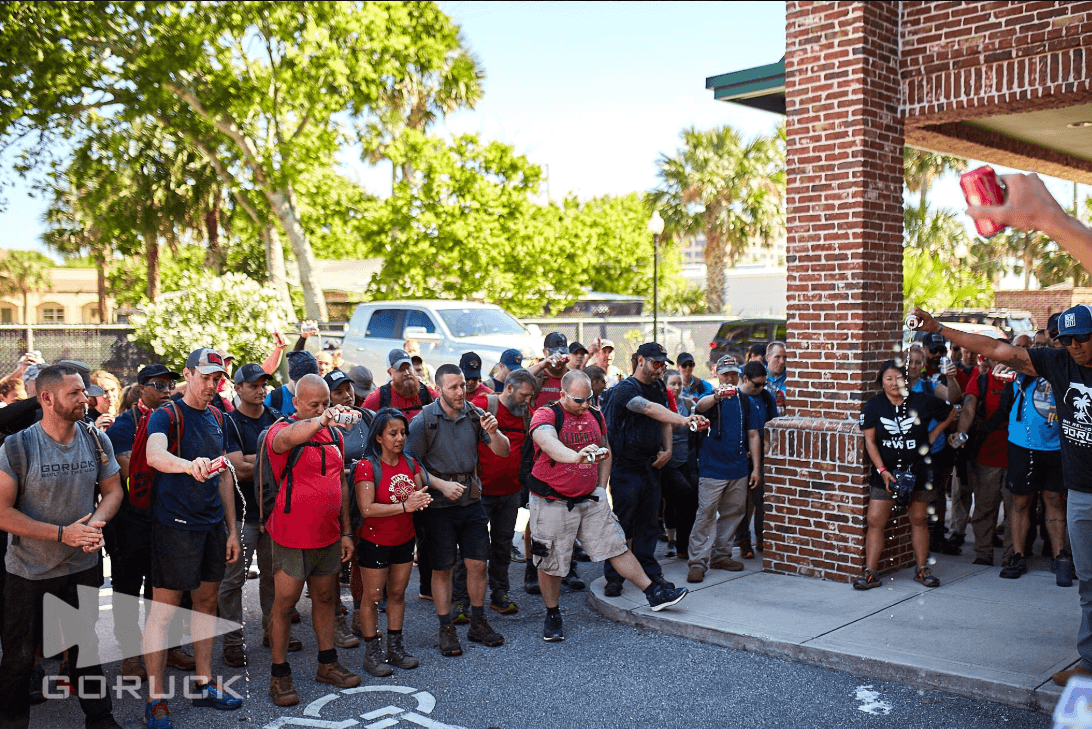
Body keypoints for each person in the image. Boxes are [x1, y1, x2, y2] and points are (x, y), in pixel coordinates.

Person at [0, 364, 125, 729]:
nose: (85, 398)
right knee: (19, 658)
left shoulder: (95, 439)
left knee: (85, 649)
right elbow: (2, 513)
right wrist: (61, 534)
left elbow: (113, 491)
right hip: (28, 570)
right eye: (75, 393)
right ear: (47, 398)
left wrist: (93, 525)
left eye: (84, 391)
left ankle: (100, 719)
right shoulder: (18, 447)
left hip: (80, 566)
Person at [530, 370, 688, 640]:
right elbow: (548, 443)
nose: (585, 405)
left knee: (616, 546)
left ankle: (654, 593)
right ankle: (552, 614)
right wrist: (575, 457)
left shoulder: (594, 414)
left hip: (589, 498)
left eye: (589, 398)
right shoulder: (546, 414)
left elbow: (606, 451)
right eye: (579, 400)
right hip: (552, 501)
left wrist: (601, 488)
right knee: (550, 561)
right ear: (563, 395)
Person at [142, 348, 243, 727]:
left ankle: (204, 683)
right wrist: (188, 466)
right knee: (164, 611)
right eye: (205, 377)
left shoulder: (218, 416)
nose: (212, 384)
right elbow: (154, 455)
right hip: (175, 527)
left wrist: (232, 530)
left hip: (212, 526)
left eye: (217, 378)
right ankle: (155, 700)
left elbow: (224, 474)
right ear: (187, 375)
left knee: (206, 603)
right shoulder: (166, 414)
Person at [264, 374, 361, 706]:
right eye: (314, 404)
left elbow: (341, 483)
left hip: (328, 535)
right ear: (296, 403)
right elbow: (287, 439)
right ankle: (279, 675)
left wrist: (346, 531)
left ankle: (327, 664)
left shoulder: (334, 434)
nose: (322, 410)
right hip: (292, 536)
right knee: (284, 604)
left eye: (325, 404)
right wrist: (321, 420)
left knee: (325, 599)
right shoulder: (279, 430)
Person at [405, 363, 510, 657]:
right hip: (438, 506)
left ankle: (478, 622)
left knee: (478, 564)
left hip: (471, 500)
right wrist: (440, 485)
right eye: (453, 387)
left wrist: (495, 432)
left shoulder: (475, 415)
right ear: (439, 389)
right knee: (442, 569)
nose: (461, 391)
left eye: (462, 385)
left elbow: (503, 451)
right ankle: (446, 628)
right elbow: (410, 466)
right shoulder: (424, 420)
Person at [601, 343, 706, 596]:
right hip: (626, 467)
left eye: (662, 364)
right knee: (623, 523)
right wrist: (684, 419)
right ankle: (614, 576)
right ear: (640, 360)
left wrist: (667, 450)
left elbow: (663, 419)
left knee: (648, 523)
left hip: (651, 465)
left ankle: (650, 572)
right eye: (655, 363)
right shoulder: (626, 389)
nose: (660, 369)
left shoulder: (658, 387)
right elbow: (648, 408)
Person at [105, 363, 186, 682]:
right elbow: (129, 470)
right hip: (131, 521)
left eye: (170, 385)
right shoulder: (124, 424)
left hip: (168, 518)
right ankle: (130, 654)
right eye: (159, 385)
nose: (167, 391)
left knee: (167, 586)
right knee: (127, 589)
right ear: (141, 389)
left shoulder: (177, 418)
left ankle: (169, 648)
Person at [219, 363, 301, 669]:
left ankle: (273, 631)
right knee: (233, 580)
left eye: (263, 384)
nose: (259, 390)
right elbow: (236, 469)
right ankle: (232, 641)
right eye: (252, 385)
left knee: (273, 576)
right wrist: (268, 457)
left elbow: (289, 460)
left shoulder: (276, 418)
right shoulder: (230, 422)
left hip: (274, 513)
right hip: (242, 515)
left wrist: (253, 460)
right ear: (238, 388)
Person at [855, 359, 953, 591]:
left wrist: (934, 434)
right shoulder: (874, 406)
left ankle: (922, 569)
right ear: (881, 382)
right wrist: (883, 471)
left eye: (898, 377)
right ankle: (870, 572)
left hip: (918, 470)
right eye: (888, 378)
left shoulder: (921, 400)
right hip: (886, 473)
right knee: (875, 520)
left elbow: (951, 411)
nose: (894, 382)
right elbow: (870, 442)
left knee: (919, 519)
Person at [353, 408, 432, 677]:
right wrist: (405, 506)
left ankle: (395, 649)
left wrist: (421, 500)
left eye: (402, 433)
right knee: (373, 597)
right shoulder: (367, 466)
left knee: (397, 594)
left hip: (404, 538)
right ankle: (372, 652)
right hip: (375, 541)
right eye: (392, 433)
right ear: (378, 437)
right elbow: (367, 509)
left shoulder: (409, 462)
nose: (400, 438)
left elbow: (419, 492)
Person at [455, 369, 537, 617]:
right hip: (479, 493)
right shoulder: (483, 404)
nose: (527, 401)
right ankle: (460, 601)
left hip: (510, 492)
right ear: (509, 388)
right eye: (524, 395)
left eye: (531, 396)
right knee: (471, 548)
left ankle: (500, 594)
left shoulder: (527, 415)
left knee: (502, 546)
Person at [687, 356, 759, 583]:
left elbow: (753, 434)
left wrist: (756, 468)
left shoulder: (745, 401)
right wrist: (718, 396)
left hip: (738, 468)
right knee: (705, 515)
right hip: (711, 469)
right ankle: (697, 562)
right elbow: (699, 407)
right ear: (716, 374)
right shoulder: (710, 397)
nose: (729, 378)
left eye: (733, 374)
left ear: (739, 375)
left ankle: (721, 555)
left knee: (734, 513)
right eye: (725, 373)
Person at [950, 351, 1010, 567]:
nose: (1000, 362)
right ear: (989, 361)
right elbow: (968, 410)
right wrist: (961, 433)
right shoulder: (981, 381)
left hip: (1017, 456)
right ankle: (984, 552)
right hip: (987, 454)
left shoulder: (1022, 381)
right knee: (985, 507)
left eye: (1005, 358)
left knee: (1016, 510)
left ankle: (1013, 556)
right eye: (996, 358)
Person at [734, 361, 778, 557]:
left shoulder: (767, 397)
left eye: (763, 384)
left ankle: (762, 536)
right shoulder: (736, 398)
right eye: (757, 384)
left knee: (762, 499)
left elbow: (773, 425)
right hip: (742, 454)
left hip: (762, 452)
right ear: (745, 379)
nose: (761, 388)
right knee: (742, 502)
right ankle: (743, 541)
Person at [663, 370, 698, 561]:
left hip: (685, 460)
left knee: (688, 500)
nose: (676, 388)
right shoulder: (661, 405)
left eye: (679, 384)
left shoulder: (688, 404)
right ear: (665, 386)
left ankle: (682, 545)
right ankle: (672, 540)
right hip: (667, 462)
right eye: (672, 384)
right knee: (674, 500)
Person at [362, 349, 437, 419]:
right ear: (390, 372)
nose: (407, 373)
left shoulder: (426, 393)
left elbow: (442, 407)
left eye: (408, 368)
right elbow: (361, 422)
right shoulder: (380, 397)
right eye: (401, 369)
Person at [265, 350, 320, 417]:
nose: (308, 386)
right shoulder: (274, 399)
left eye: (312, 380)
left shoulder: (320, 397)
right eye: (304, 381)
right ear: (293, 378)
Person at [528, 332, 569, 408]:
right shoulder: (538, 373)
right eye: (555, 354)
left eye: (562, 354)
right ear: (545, 352)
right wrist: (543, 364)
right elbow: (518, 378)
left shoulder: (570, 376)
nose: (559, 359)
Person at [765, 341, 788, 412]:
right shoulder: (758, 376)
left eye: (784, 358)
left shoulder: (789, 379)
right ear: (767, 357)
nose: (782, 361)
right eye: (777, 357)